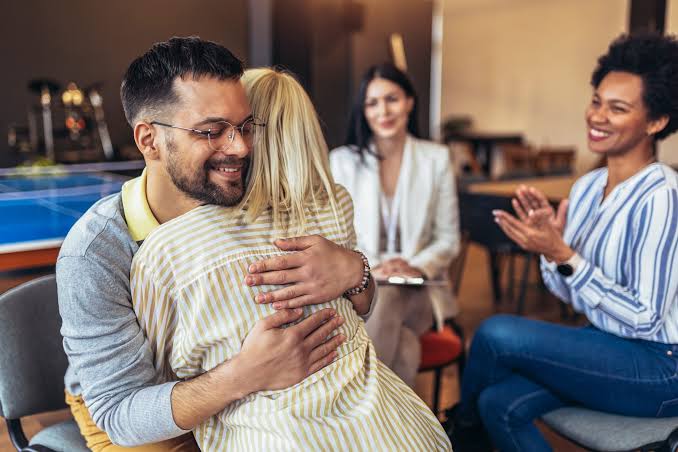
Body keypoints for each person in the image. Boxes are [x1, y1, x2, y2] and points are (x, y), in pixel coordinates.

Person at [56, 37, 377, 451]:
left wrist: (354, 271)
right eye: (211, 131)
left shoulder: (242, 194)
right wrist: (245, 374)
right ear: (149, 140)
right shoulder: (94, 253)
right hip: (143, 414)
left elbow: (360, 307)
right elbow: (120, 414)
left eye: (245, 127)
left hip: (241, 396)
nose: (240, 148)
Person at [129, 67, 452, 451]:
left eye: (234, 127)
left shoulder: (166, 251)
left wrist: (356, 268)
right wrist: (360, 268)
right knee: (405, 345)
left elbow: (155, 390)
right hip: (406, 431)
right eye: (213, 129)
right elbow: (362, 311)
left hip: (281, 438)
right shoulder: (336, 204)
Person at [446, 33, 678, 452]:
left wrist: (563, 254)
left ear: (656, 122)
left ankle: (457, 436)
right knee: (498, 403)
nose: (597, 116)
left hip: (660, 367)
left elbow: (645, 319)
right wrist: (550, 251)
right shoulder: (588, 188)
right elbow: (570, 293)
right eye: (597, 101)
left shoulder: (663, 195)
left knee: (497, 332)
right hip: (606, 343)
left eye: (618, 108)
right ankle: (466, 433)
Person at [330, 63, 460, 387]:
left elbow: (448, 239)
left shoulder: (436, 159)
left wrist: (414, 266)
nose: (383, 111)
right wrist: (373, 268)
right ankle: (391, 417)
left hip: (421, 288)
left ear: (409, 102)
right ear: (363, 111)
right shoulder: (342, 162)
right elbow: (337, 235)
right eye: (372, 103)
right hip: (362, 284)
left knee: (388, 297)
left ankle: (354, 401)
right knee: (406, 347)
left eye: (392, 99)